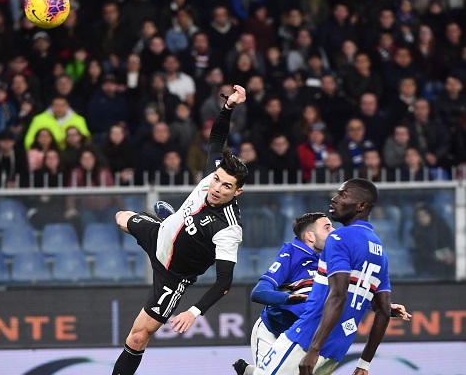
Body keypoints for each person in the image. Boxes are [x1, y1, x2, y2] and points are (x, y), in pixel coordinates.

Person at [112, 85, 248, 375]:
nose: (217, 188)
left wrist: (193, 311)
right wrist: (229, 107)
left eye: (226, 186)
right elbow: (217, 137)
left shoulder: (229, 229)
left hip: (172, 276)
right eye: (217, 180)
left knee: (137, 337)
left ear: (237, 192)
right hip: (160, 236)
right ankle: (170, 223)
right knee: (121, 217)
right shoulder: (213, 174)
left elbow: (223, 282)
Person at [233, 212, 411, 375]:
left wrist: (381, 306)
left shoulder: (334, 257)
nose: (334, 231)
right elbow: (258, 292)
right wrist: (288, 298)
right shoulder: (292, 254)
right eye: (327, 228)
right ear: (310, 236)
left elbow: (343, 294)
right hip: (273, 331)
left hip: (306, 336)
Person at [255, 179, 392, 375]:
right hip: (337, 349)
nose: (334, 199)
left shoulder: (339, 238)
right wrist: (364, 364)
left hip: (306, 339)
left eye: (343, 195)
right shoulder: (380, 252)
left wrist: (313, 349)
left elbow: (338, 295)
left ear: (361, 205)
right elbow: (384, 311)